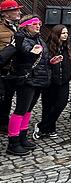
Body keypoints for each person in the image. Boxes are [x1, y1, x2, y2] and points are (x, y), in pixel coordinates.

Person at [6, 16, 50, 156]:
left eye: (39, 23)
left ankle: (22, 137)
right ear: (26, 26)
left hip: (38, 78)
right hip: (26, 79)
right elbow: (24, 54)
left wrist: (51, 61)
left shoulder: (39, 38)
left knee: (29, 109)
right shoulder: (21, 38)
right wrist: (32, 52)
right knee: (20, 109)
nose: (38, 26)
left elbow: (44, 57)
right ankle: (13, 142)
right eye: (34, 24)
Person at [37, 24, 71, 138]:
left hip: (64, 81)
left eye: (66, 33)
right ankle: (49, 129)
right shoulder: (48, 47)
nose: (65, 35)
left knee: (61, 103)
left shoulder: (68, 47)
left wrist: (69, 73)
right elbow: (43, 63)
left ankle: (42, 126)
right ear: (56, 34)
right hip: (51, 81)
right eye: (63, 33)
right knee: (48, 105)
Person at [0, 0, 22, 134]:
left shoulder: (17, 27)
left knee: (8, 99)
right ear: (5, 14)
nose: (19, 12)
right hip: (2, 70)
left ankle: (3, 124)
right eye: (15, 10)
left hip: (13, 71)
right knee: (2, 99)